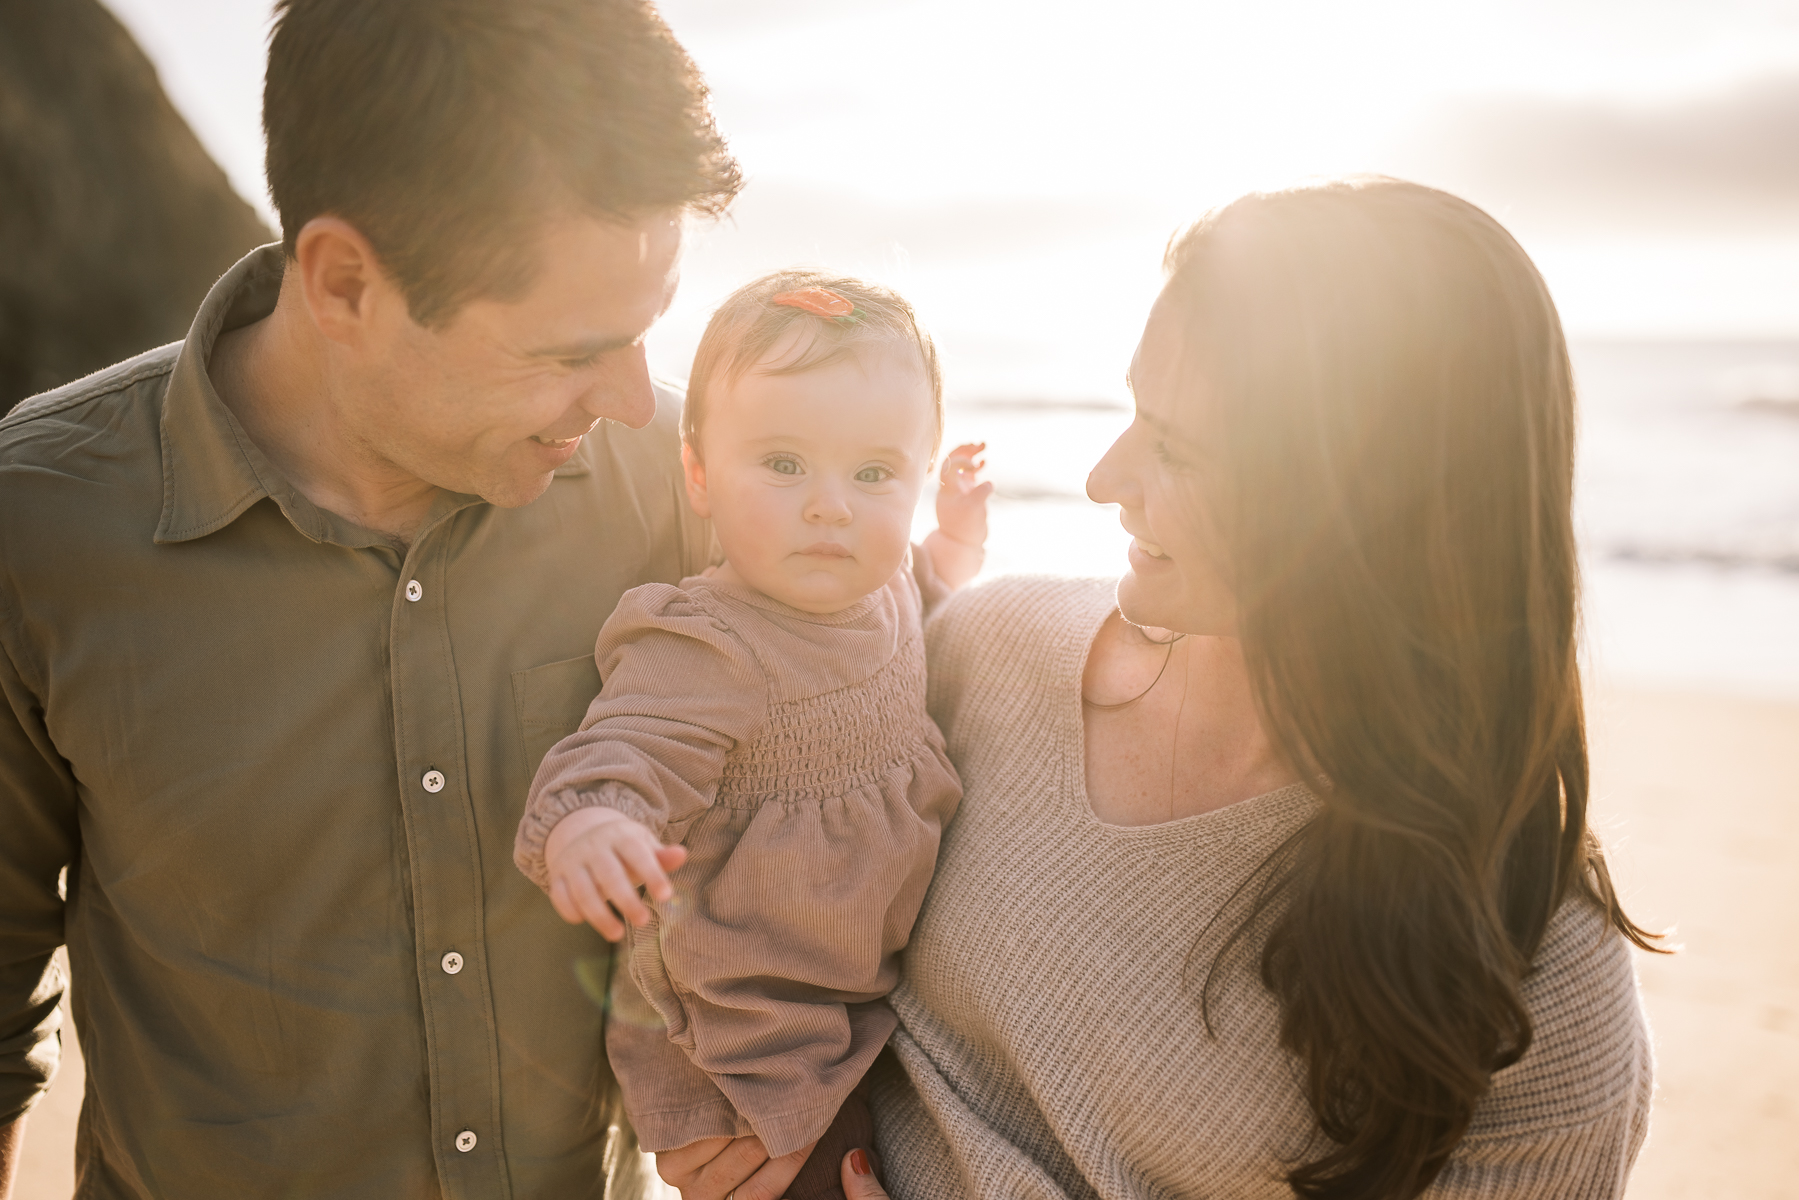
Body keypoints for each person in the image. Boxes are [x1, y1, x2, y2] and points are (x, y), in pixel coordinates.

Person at [664, 179, 1660, 1200]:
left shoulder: (1529, 957)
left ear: (1366, 500)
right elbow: (736, 902)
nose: (1104, 478)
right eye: (1133, 413)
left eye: (1176, 448)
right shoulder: (976, 654)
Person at [0, 0, 739, 1195]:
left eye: (644, 332)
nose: (634, 404)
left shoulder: (680, 490)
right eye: (567, 352)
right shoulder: (36, 528)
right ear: (343, 282)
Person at [512, 272, 991, 1200]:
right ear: (697, 474)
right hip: (744, 1046)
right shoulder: (709, 645)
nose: (830, 507)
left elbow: (925, 594)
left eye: (873, 474)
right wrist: (594, 827)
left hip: (850, 1001)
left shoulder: (876, 588)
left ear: (918, 476)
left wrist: (955, 545)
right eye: (782, 464)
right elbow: (625, 748)